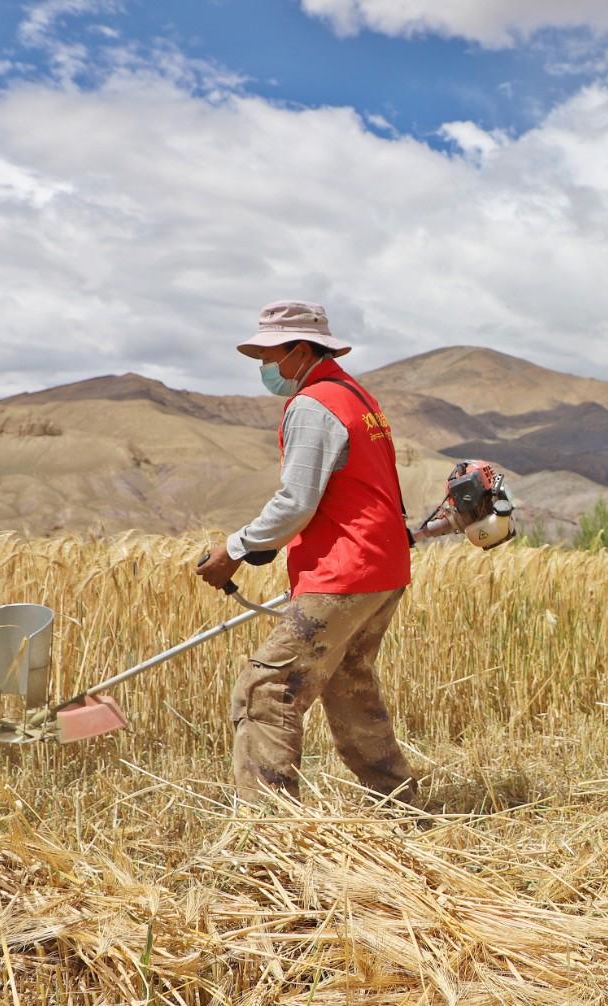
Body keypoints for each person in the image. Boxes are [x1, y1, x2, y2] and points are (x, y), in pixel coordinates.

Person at [196, 300, 414, 803]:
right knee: (348, 686)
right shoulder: (356, 396)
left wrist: (234, 548)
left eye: (270, 355)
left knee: (265, 691)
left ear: (299, 350)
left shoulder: (314, 404)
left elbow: (296, 501)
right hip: (382, 567)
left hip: (344, 571)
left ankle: (266, 830)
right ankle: (401, 806)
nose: (264, 367)